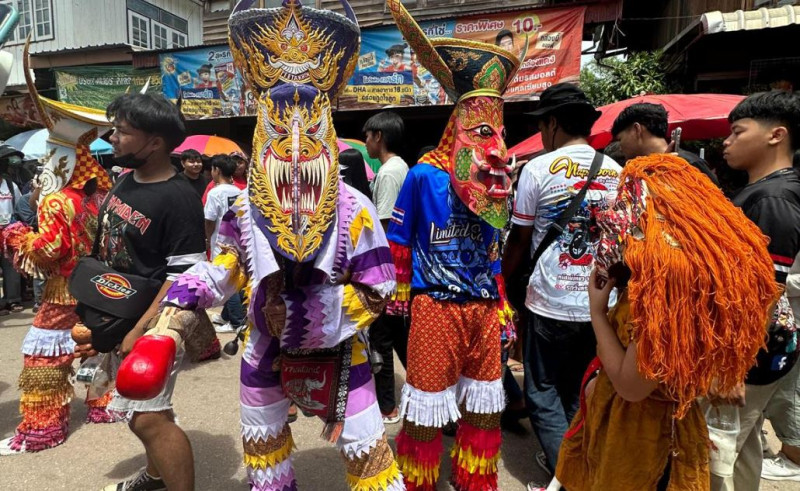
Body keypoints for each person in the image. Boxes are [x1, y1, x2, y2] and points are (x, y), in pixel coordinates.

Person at [123, 2, 404, 489]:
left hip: (340, 351)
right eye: (279, 113)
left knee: (369, 459)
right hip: (262, 351)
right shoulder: (242, 208)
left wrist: (307, 314)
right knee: (266, 461)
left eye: (307, 112)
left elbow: (380, 288)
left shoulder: (353, 206)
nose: (294, 137)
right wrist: (171, 318)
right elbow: (223, 269)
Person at [555, 153, 777, 490]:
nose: (619, 217)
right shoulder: (704, 275)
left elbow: (631, 387)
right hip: (658, 427)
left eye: (629, 205)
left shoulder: (665, 292)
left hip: (640, 440)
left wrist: (597, 313)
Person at [386, 1, 519, 488]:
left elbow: (492, 250)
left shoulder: (495, 182)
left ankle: (475, 479)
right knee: (425, 406)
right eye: (484, 133)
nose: (495, 146)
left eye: (500, 135)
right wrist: (399, 293)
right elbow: (399, 237)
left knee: (483, 410)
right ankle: (420, 481)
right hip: (435, 307)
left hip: (483, 307)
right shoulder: (422, 175)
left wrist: (501, 301)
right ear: (457, 129)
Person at [501, 83, 622, 483]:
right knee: (578, 390)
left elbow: (519, 240)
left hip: (550, 302)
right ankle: (580, 462)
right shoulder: (616, 171)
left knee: (542, 391)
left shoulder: (538, 168)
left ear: (552, 123)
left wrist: (505, 282)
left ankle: (570, 476)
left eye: (542, 124)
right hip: (601, 305)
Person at [0, 76, 119, 455]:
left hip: (63, 289)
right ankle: (102, 404)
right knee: (95, 344)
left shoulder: (56, 201)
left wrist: (15, 235)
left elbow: (50, 249)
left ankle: (43, 429)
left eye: (49, 158)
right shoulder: (101, 197)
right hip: (99, 286)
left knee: (44, 356)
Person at [96, 93, 206, 491]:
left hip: (159, 319)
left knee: (147, 418)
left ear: (154, 143)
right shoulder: (126, 181)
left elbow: (183, 276)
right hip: (122, 312)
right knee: (145, 410)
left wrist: (138, 331)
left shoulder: (179, 199)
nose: (113, 138)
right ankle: (156, 477)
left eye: (123, 132)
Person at [711, 90, 800, 491]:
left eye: (737, 132)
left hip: (747, 354)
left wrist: (732, 366)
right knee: (742, 449)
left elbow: (764, 291)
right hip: (753, 350)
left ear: (775, 135)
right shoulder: (763, 190)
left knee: (716, 459)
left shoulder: (773, 198)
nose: (726, 142)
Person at [363, 110, 409, 424]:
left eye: (368, 135)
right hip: (397, 270)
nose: (366, 141)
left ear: (379, 136)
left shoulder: (390, 172)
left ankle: (387, 406)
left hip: (388, 270)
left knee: (381, 338)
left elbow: (385, 225)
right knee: (399, 336)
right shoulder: (398, 167)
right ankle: (422, 390)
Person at [611, 102, 720, 186]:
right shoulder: (643, 171)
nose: (620, 147)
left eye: (620, 139)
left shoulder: (687, 163)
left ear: (636, 129)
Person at [762, 250, 800, 482]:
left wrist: (776, 278)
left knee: (790, 393)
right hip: (785, 317)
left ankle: (794, 459)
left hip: (795, 320)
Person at [204, 154, 245, 334]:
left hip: (221, 241)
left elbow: (210, 220)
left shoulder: (215, 192)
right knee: (235, 276)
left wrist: (207, 238)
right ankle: (226, 316)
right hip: (237, 240)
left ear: (216, 170)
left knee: (226, 281)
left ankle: (236, 322)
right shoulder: (239, 191)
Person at [0, 144, 23, 315]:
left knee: (11, 267)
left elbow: (18, 205)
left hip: (8, 231)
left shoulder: (10, 185)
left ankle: (13, 300)